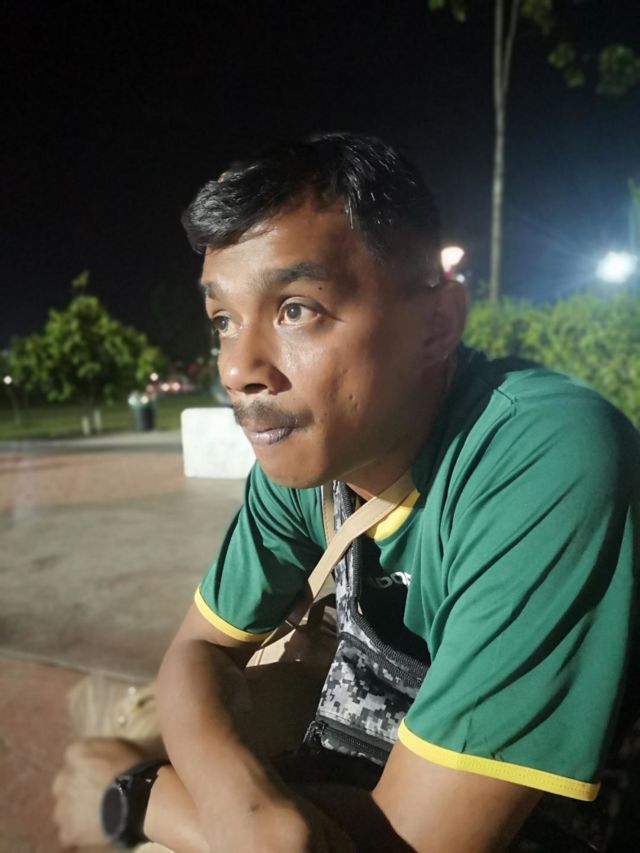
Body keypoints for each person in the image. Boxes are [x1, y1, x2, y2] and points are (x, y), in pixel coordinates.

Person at [53, 133, 640, 852]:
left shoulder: (542, 454)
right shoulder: (316, 456)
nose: (238, 368)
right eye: (223, 321)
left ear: (437, 325)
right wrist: (240, 803)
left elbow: (419, 842)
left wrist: (138, 796)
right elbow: (200, 647)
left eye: (296, 309)